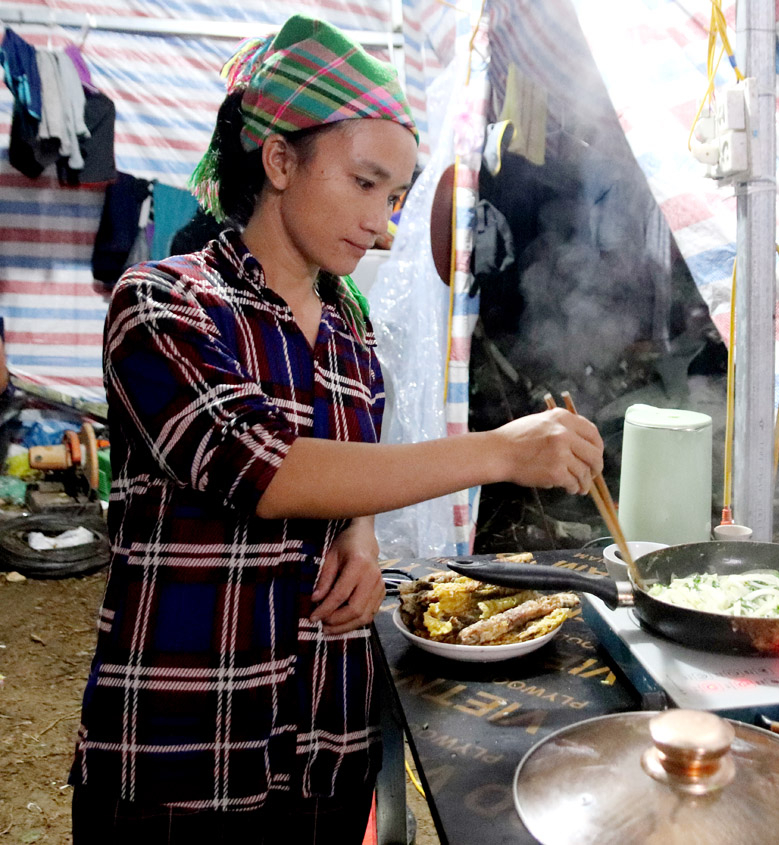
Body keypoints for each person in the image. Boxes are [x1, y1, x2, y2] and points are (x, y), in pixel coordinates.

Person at [68, 16, 602, 844]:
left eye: (396, 196)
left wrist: (359, 533)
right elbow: (268, 469)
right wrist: (502, 450)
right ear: (280, 159)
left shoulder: (353, 337)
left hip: (326, 738)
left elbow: (343, 467)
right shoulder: (163, 304)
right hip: (184, 741)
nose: (385, 222)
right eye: (364, 184)